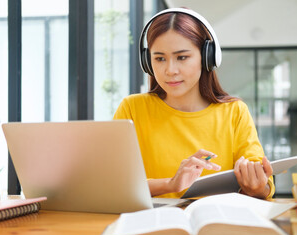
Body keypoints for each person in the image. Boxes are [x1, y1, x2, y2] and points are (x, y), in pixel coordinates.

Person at [113, 8, 275, 199]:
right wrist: (170, 184)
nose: (170, 70)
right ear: (148, 62)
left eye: (182, 57)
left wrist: (256, 187)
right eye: (159, 58)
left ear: (207, 57)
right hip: (152, 224)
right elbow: (113, 184)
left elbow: (264, 187)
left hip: (215, 224)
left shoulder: (234, 112)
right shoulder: (132, 109)